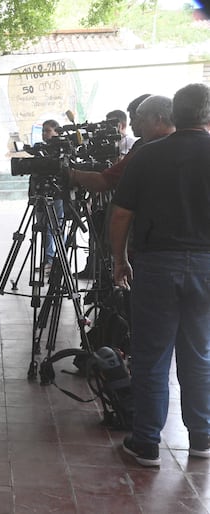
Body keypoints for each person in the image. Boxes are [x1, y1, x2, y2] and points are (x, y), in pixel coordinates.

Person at [110, 83, 210, 467]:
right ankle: (201, 436)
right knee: (199, 355)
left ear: (173, 115)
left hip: (156, 265)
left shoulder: (148, 155)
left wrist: (119, 260)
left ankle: (147, 442)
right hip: (205, 265)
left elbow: (121, 214)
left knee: (151, 356)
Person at [69, 95, 175, 192]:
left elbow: (104, 182)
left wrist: (71, 174)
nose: (133, 124)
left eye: (141, 120)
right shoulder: (183, 145)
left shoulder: (147, 150)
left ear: (157, 119)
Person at [39, 120, 64, 270]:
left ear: (57, 132)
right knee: (43, 227)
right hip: (40, 193)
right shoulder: (41, 150)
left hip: (57, 194)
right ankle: (47, 259)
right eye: (43, 130)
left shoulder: (61, 150)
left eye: (47, 130)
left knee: (55, 227)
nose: (44, 134)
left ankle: (57, 259)